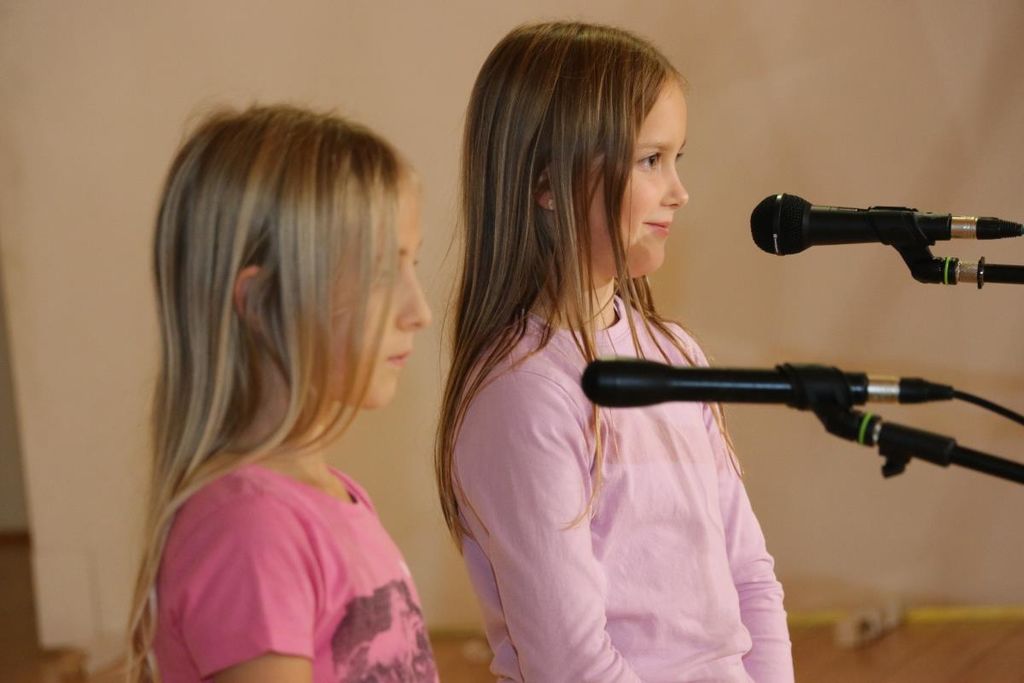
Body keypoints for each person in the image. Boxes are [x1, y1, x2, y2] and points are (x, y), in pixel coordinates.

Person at [435, 22, 793, 682]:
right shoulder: (522, 393)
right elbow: (571, 662)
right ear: (548, 184)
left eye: (677, 158)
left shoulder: (675, 353)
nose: (679, 191)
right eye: (650, 160)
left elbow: (751, 575)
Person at [127, 105, 437, 682]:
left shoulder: (326, 498)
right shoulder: (250, 531)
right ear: (262, 304)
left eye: (411, 264)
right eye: (380, 272)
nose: (419, 310)